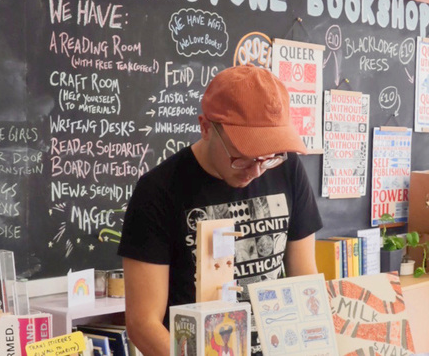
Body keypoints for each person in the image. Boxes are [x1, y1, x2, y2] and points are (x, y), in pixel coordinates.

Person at [117, 64, 323, 356]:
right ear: (205, 127)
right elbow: (142, 323)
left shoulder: (288, 169)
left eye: (268, 158)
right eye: (241, 158)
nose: (256, 171)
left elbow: (303, 278)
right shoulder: (158, 191)